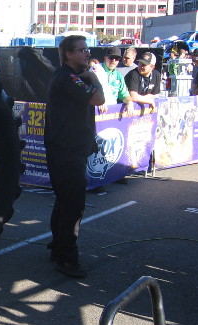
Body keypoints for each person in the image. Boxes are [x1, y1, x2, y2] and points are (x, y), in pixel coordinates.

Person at [44, 36, 104, 278]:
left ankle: (58, 247)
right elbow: (99, 98)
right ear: (67, 54)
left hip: (70, 149)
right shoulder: (68, 78)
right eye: (81, 50)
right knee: (73, 204)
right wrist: (92, 76)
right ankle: (66, 258)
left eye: (87, 49)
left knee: (65, 200)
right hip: (66, 150)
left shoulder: (70, 77)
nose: (87, 53)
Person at [97, 47, 134, 115]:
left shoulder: (119, 76)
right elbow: (89, 90)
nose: (114, 60)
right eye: (111, 57)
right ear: (105, 58)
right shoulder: (96, 69)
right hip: (96, 111)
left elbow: (124, 94)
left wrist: (129, 102)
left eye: (116, 58)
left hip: (111, 112)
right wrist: (99, 101)